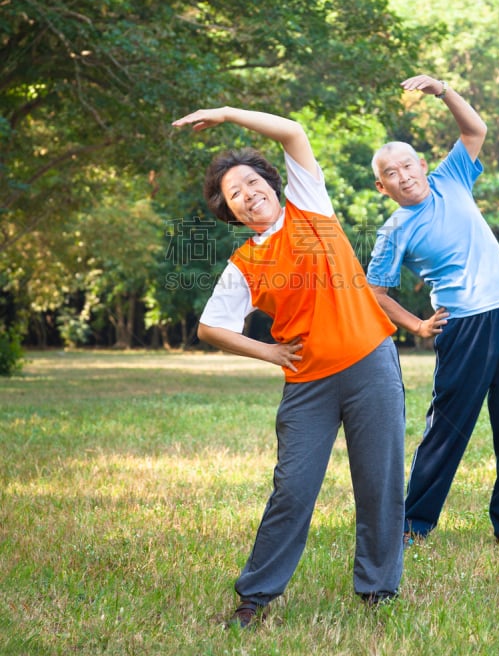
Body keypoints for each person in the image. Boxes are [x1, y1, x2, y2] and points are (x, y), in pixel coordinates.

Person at [172, 106, 405, 628]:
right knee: (294, 487)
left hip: (371, 363)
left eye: (253, 182)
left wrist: (228, 113)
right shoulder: (244, 264)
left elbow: (294, 131)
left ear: (272, 185)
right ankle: (254, 597)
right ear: (229, 212)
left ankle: (378, 590)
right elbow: (211, 328)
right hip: (309, 384)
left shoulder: (309, 204)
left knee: (380, 481)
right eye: (236, 194)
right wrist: (271, 352)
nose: (249, 193)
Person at [366, 73, 499, 549]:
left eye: (408, 165)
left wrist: (443, 91)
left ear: (422, 165)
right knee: (447, 429)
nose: (404, 176)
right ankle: (412, 524)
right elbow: (375, 292)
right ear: (382, 187)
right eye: (392, 174)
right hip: (464, 327)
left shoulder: (451, 179)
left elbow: (474, 130)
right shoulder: (393, 231)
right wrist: (419, 325)